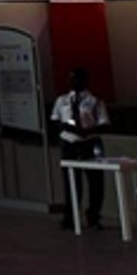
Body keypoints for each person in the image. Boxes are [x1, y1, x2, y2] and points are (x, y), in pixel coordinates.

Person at [50, 67, 111, 230]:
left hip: (89, 142)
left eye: (76, 79)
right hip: (69, 142)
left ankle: (93, 216)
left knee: (95, 181)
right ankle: (70, 216)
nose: (73, 82)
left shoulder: (94, 101)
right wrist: (67, 127)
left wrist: (87, 130)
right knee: (71, 181)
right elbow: (55, 119)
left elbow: (104, 124)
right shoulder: (62, 100)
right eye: (70, 78)